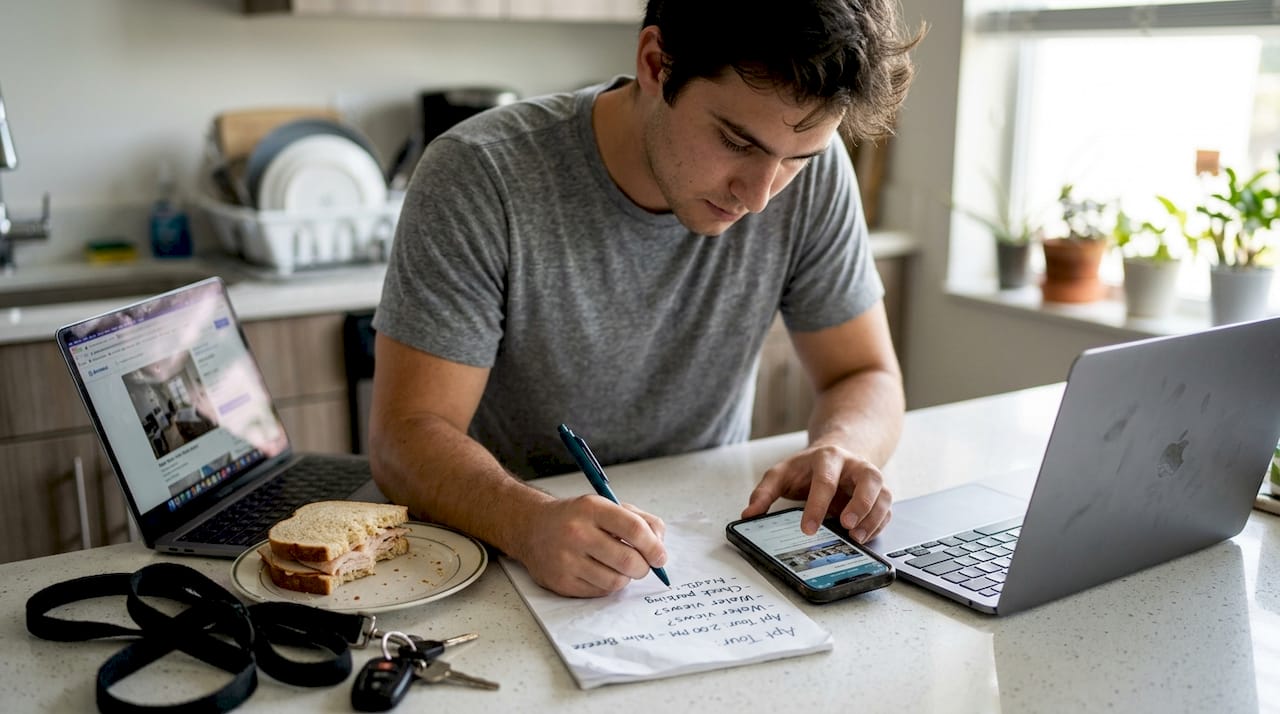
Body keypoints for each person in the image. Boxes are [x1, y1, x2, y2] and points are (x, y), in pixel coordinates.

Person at [369, 0, 923, 598]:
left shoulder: (816, 176)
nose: (760, 196)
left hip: (709, 548)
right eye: (737, 141)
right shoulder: (480, 173)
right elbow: (405, 435)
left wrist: (842, 447)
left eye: (794, 159)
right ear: (657, 63)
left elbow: (864, 372)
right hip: (509, 554)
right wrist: (526, 521)